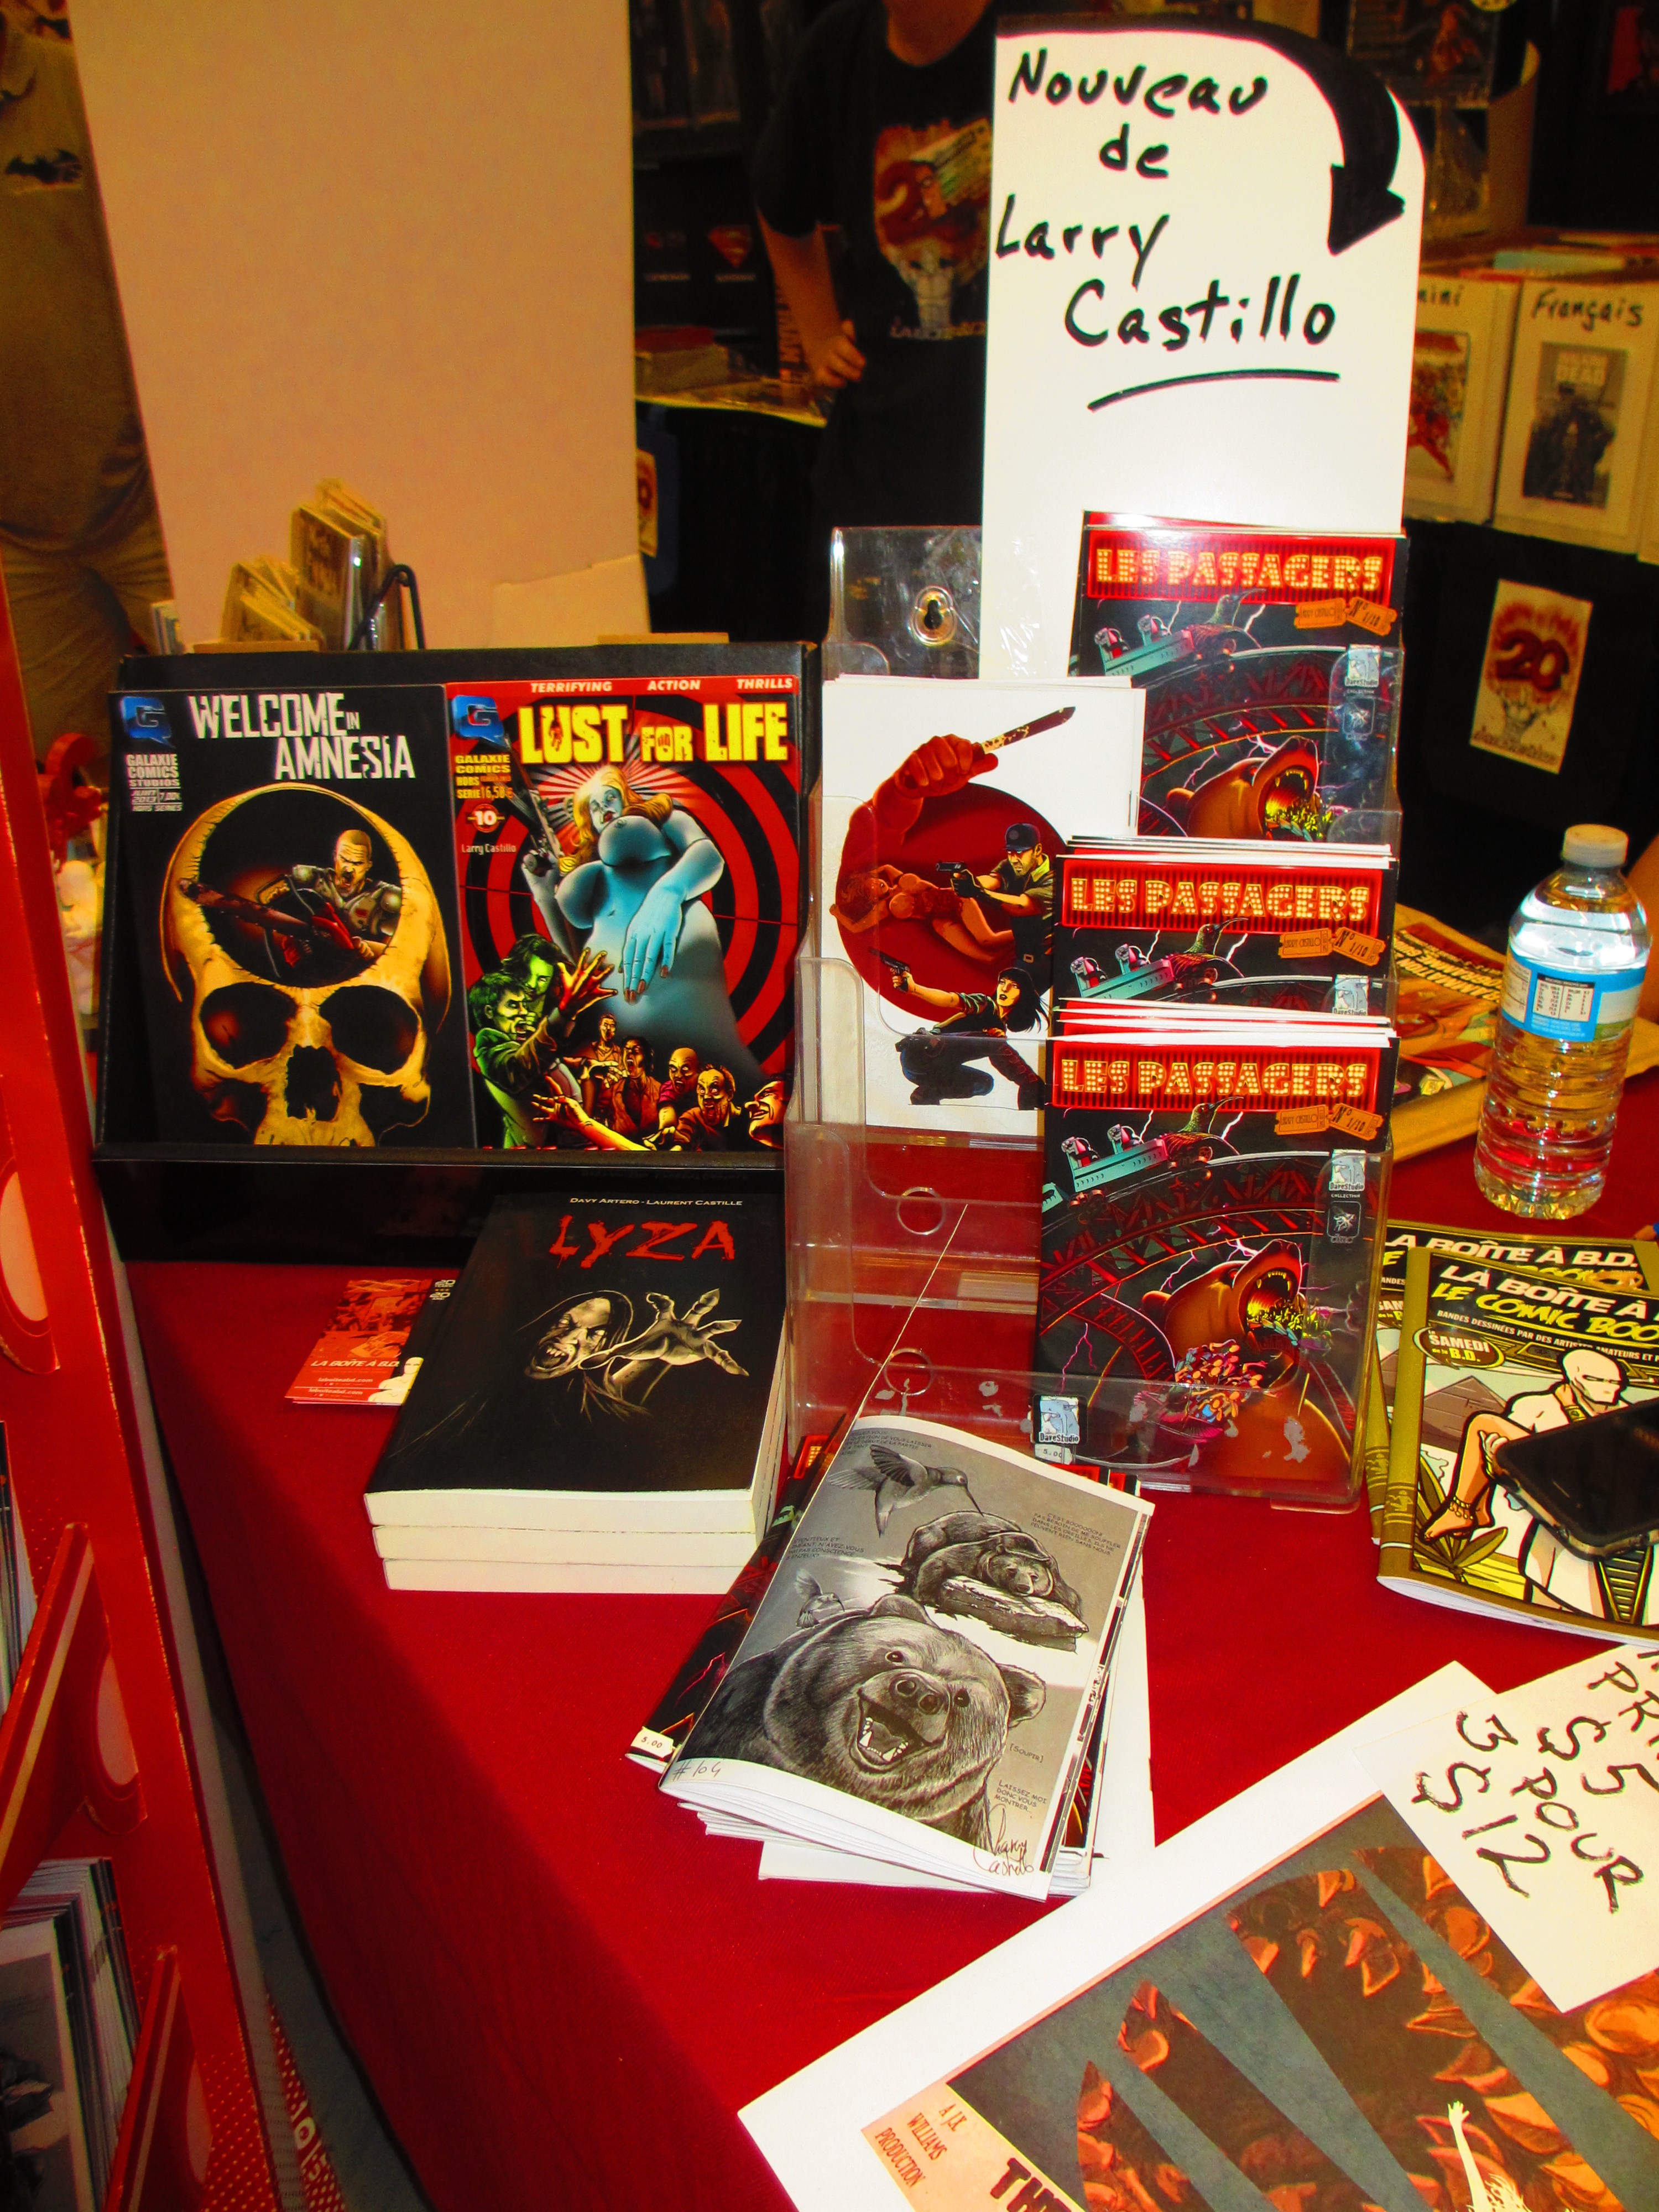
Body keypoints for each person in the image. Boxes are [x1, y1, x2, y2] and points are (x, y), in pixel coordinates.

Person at [752, 0, 1001, 634]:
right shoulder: (840, 48)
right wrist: (817, 335)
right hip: (878, 471)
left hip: (1013, 469)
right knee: (858, 678)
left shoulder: (1044, 30)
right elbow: (779, 202)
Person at [0, 11, 171, 764]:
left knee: (226, 722)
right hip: (21, 543)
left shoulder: (80, 87)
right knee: (75, 778)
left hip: (147, 503)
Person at [886, 959, 1044, 1106]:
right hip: (921, 1054)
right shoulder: (986, 1004)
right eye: (1003, 982)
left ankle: (927, 1094)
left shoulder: (999, 1030)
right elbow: (952, 1000)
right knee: (993, 1041)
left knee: (985, 1084)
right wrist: (914, 989)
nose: (1005, 988)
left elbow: (1001, 1061)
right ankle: (1031, 1084)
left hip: (930, 1074)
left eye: (1014, 986)